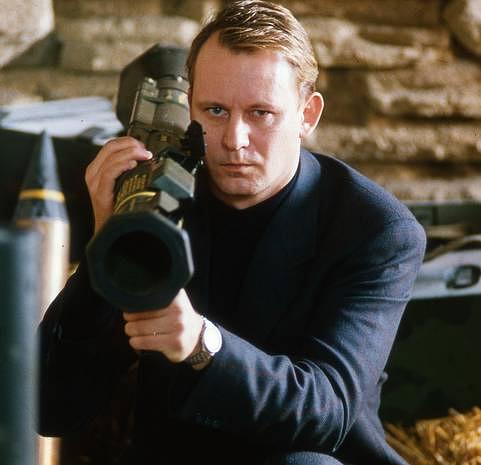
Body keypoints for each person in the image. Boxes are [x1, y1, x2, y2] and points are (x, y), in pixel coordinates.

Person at [38, 1, 426, 464]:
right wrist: (109, 242)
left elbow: (327, 412)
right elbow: (50, 408)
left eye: (261, 113)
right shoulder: (161, 195)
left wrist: (202, 344)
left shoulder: (377, 229)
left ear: (307, 115)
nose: (234, 140)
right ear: (191, 106)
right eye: (216, 110)